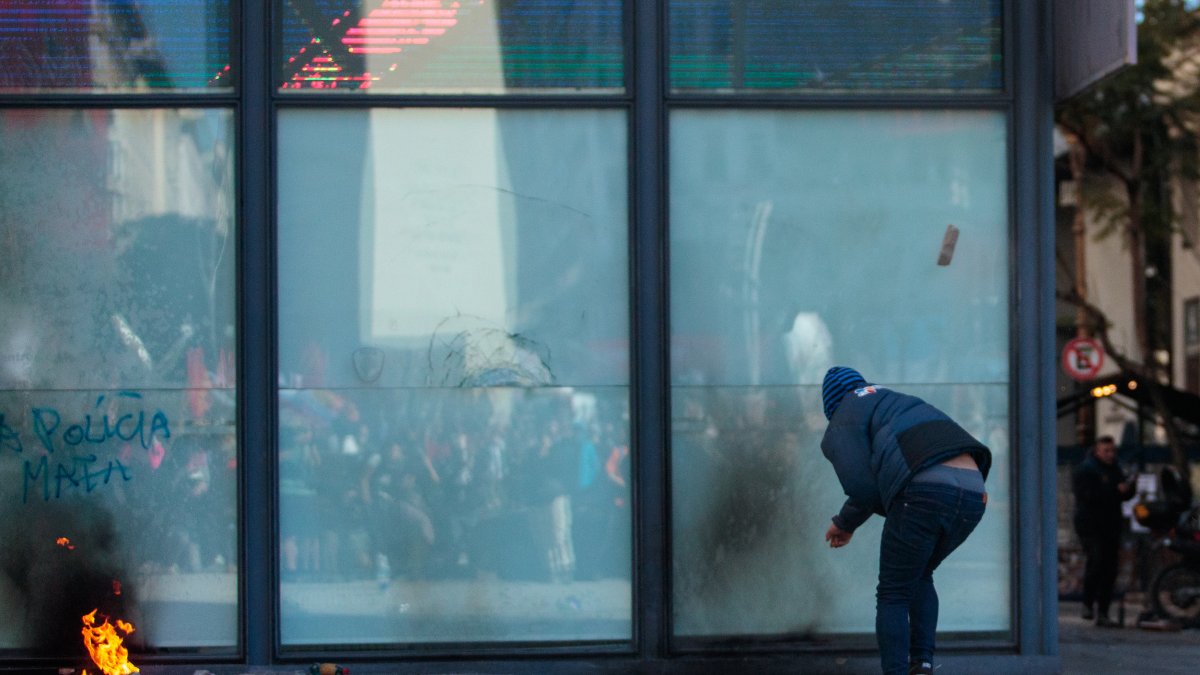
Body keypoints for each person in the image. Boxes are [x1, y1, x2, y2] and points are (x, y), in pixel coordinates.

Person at [819, 366, 991, 675]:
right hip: (973, 490)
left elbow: (862, 485)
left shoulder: (844, 414)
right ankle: (922, 664)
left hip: (923, 488)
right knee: (920, 573)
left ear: (831, 404)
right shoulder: (897, 401)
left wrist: (847, 523)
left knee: (893, 593)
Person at [1071, 434, 1136, 626]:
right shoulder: (1086, 470)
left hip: (1110, 523)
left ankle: (1104, 612)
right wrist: (1115, 490)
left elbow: (1123, 494)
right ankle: (1089, 604)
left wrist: (1127, 489)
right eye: (1106, 451)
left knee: (1110, 567)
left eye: (1112, 451)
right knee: (1097, 561)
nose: (1110, 454)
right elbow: (1088, 495)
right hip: (1091, 524)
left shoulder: (1116, 469)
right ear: (1097, 451)